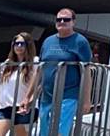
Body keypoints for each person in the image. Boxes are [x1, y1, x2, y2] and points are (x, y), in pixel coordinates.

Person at [38, 8, 92, 136]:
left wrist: (86, 99)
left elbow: (86, 71)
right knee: (44, 131)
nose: (62, 22)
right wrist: (31, 95)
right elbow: (40, 70)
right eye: (59, 19)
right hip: (47, 95)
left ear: (73, 22)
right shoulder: (47, 41)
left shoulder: (80, 41)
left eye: (66, 19)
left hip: (68, 94)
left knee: (59, 131)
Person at [0, 32, 38, 136]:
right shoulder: (7, 63)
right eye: (16, 43)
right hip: (5, 108)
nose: (19, 46)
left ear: (28, 45)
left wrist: (30, 101)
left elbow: (38, 83)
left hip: (23, 108)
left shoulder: (34, 61)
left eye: (22, 44)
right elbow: (2, 88)